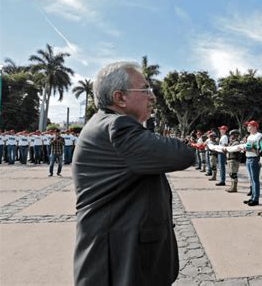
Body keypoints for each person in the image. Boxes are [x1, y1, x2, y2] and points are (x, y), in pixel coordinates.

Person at [72, 61, 194, 285]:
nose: (152, 97)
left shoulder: (105, 123)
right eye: (145, 89)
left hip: (120, 255)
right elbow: (183, 154)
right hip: (119, 263)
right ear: (120, 98)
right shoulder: (118, 128)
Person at [243, 120, 262, 206]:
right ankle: (252, 197)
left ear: (255, 126)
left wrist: (250, 148)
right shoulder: (250, 136)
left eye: (249, 126)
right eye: (248, 126)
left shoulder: (259, 136)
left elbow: (259, 148)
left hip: (254, 158)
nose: (248, 127)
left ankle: (256, 199)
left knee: (255, 179)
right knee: (251, 179)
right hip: (248, 157)